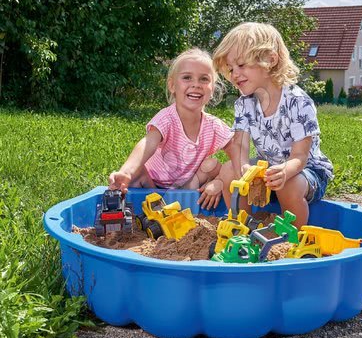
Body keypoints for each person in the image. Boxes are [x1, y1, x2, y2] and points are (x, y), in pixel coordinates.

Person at [212, 22, 333, 228]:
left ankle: (290, 237)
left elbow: (300, 157)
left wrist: (285, 171)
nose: (234, 74)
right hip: (268, 170)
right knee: (227, 171)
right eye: (231, 69)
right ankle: (242, 225)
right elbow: (240, 144)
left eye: (241, 65)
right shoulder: (245, 103)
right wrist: (243, 167)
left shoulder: (297, 102)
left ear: (270, 59)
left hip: (306, 172)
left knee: (289, 185)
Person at [109, 48, 233, 210]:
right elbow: (148, 143)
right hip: (152, 185)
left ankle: (181, 202)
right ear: (172, 85)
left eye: (204, 79)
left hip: (187, 186)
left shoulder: (213, 125)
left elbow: (237, 155)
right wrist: (126, 171)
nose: (196, 84)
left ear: (212, 88)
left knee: (212, 164)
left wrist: (220, 181)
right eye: (187, 78)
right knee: (137, 172)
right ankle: (146, 207)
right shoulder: (167, 118)